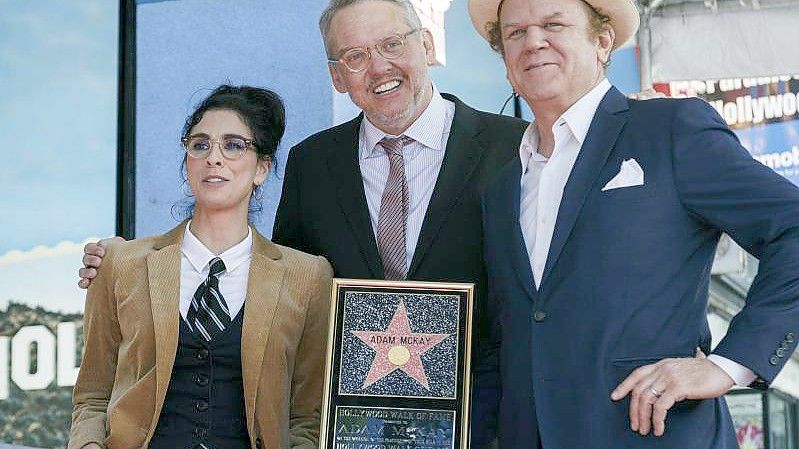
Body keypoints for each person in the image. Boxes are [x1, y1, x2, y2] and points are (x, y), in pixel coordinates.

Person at [467, 0, 799, 447]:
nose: (533, 42)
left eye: (553, 25)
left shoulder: (671, 130)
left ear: (602, 41)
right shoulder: (502, 187)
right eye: (515, 33)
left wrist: (727, 365)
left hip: (656, 433)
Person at [68, 85, 333, 449]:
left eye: (234, 145)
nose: (214, 157)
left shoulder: (307, 278)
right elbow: (93, 396)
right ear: (187, 160)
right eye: (200, 144)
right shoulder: (121, 264)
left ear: (262, 168)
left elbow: (308, 415)